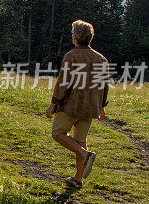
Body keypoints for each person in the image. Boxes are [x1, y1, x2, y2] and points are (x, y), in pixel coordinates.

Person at [45, 20, 110, 188]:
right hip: (91, 108)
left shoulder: (71, 56)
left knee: (57, 133)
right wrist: (102, 107)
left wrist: (53, 104)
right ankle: (78, 179)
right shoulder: (101, 59)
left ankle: (85, 154)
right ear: (90, 38)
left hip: (71, 106)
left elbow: (62, 83)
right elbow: (104, 85)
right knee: (80, 140)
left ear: (75, 37)